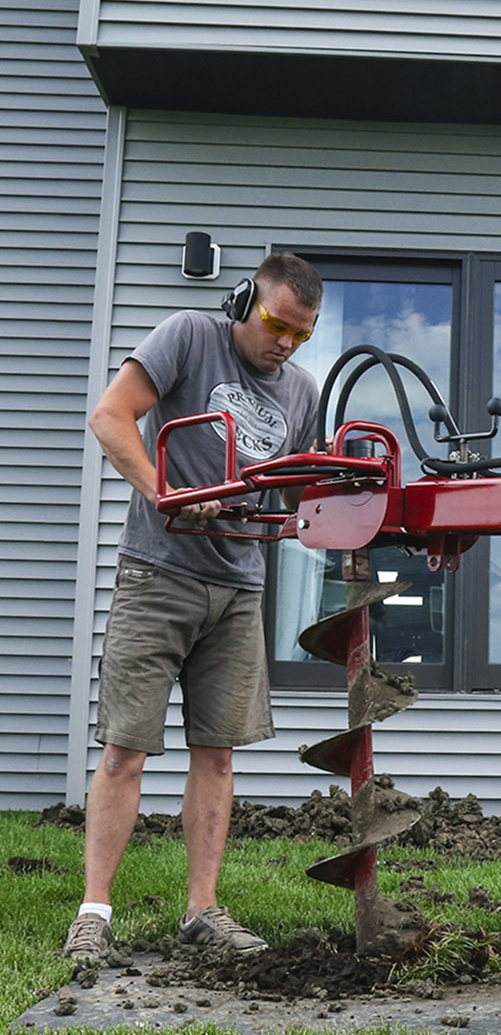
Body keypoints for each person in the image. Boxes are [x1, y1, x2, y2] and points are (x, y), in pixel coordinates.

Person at [61, 253, 323, 966]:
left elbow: (297, 493)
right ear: (244, 302)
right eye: (276, 325)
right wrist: (165, 491)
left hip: (239, 587)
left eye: (302, 334)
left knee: (217, 752)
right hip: (158, 571)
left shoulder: (300, 389)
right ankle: (94, 912)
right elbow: (111, 417)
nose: (286, 344)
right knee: (126, 747)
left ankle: (202, 909)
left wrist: (346, 501)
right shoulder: (186, 335)